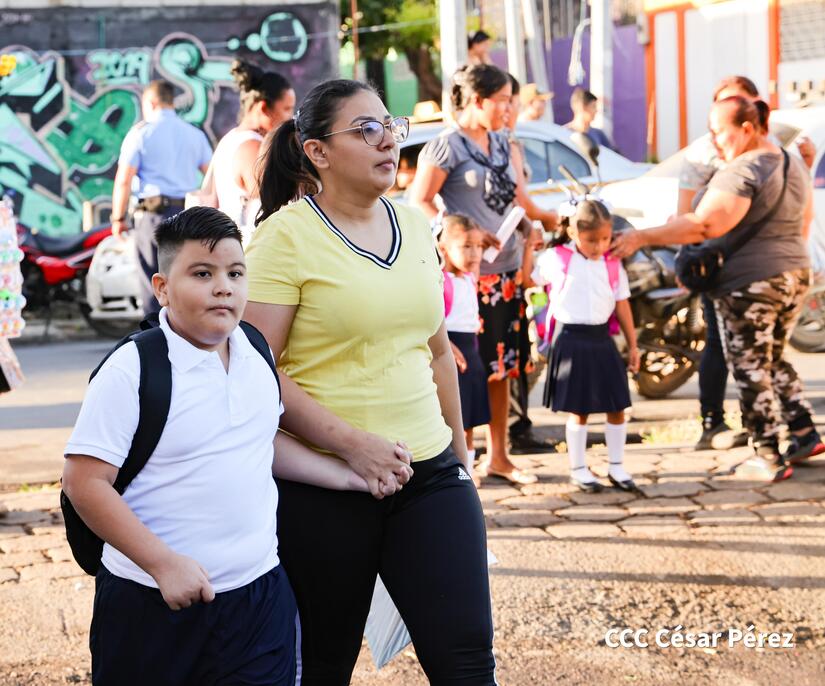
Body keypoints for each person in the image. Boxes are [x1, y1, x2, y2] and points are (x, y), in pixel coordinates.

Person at [62, 207, 407, 685]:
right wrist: (163, 564)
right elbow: (83, 482)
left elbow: (256, 443)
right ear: (162, 288)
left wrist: (348, 476)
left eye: (236, 273)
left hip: (257, 602)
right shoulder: (132, 369)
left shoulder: (255, 351)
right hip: (151, 604)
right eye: (202, 274)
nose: (223, 287)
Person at [243, 79, 496, 684]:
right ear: (317, 152)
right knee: (323, 666)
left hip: (429, 475)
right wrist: (352, 446)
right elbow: (254, 372)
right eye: (365, 130)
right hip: (326, 483)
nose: (388, 141)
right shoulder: (283, 237)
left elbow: (438, 352)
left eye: (390, 126)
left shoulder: (413, 224)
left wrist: (459, 463)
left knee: (467, 664)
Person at [612, 96, 823, 480]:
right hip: (793, 271)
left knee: (749, 364)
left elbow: (705, 224)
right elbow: (805, 221)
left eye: (718, 132)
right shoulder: (790, 162)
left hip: (751, 282)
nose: (713, 140)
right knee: (772, 358)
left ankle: (767, 452)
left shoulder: (745, 168)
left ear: (747, 129)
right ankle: (804, 431)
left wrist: (642, 236)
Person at [410, 63, 538, 484]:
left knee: (501, 366)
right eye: (502, 101)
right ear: (478, 100)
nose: (509, 109)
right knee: (462, 366)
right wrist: (460, 231)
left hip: (505, 271)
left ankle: (499, 455)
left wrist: (528, 226)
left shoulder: (503, 143)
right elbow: (420, 201)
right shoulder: (446, 147)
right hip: (464, 278)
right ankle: (457, 459)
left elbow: (516, 198)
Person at [678, 75, 816, 450]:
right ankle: (786, 428)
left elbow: (800, 214)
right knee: (750, 353)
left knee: (750, 360)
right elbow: (688, 217)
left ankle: (767, 446)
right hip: (723, 268)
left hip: (755, 273)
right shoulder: (705, 153)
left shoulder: (771, 155)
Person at [531, 199, 639, 492]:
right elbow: (532, 283)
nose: (599, 246)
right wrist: (529, 246)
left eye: (605, 239)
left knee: (617, 404)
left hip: (602, 338)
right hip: (571, 339)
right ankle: (578, 468)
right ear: (574, 233)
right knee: (580, 409)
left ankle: (616, 466)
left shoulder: (612, 263)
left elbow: (622, 304)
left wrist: (633, 345)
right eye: (591, 240)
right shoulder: (556, 258)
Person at [111, 80, 212, 315]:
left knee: (153, 282)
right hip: (188, 217)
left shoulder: (141, 134)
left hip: (153, 217)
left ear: (151, 102)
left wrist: (118, 218)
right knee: (186, 276)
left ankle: (156, 333)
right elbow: (212, 175)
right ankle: (187, 329)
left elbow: (124, 179)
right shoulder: (195, 134)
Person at [212, 60, 294, 246]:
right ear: (263, 108)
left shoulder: (229, 138)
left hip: (234, 245)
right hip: (250, 246)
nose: (291, 118)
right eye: (287, 109)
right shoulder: (252, 147)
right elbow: (272, 201)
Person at [439, 213, 490, 482]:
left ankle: (466, 473)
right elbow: (431, 322)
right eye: (466, 246)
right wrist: (447, 345)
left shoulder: (470, 277)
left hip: (471, 353)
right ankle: (450, 474)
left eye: (479, 246)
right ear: (444, 248)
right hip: (448, 353)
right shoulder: (439, 281)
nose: (475, 254)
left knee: (467, 422)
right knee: (449, 420)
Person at [566, 87, 616, 152]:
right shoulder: (564, 133)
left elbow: (611, 154)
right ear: (582, 107)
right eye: (593, 106)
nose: (596, 110)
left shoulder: (598, 134)